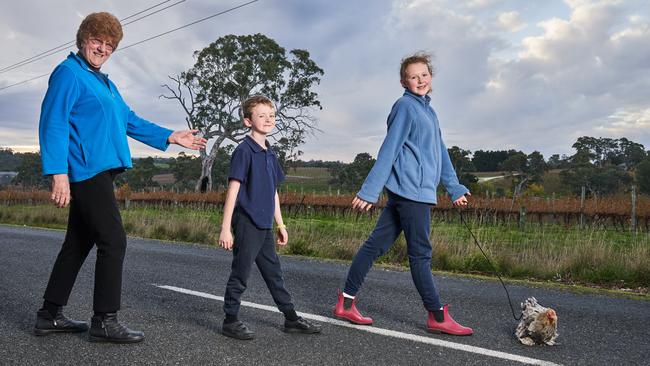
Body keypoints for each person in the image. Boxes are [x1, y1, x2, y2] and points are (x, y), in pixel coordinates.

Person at [34, 12, 207, 343]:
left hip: (100, 170)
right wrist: (58, 174)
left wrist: (171, 136)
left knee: (78, 243)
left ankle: (49, 315)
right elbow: (53, 123)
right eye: (97, 41)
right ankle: (104, 320)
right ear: (83, 39)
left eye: (109, 45)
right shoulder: (69, 74)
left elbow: (129, 119)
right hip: (85, 172)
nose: (102, 48)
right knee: (114, 240)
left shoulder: (104, 83)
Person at [332, 52, 474, 336]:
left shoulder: (429, 112)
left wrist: (455, 187)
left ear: (430, 77)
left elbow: (440, 153)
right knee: (420, 254)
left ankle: (346, 304)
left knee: (375, 246)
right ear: (403, 81)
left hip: (412, 192)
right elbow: (390, 148)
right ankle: (436, 315)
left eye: (424, 75)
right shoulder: (405, 107)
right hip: (411, 193)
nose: (420, 80)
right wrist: (370, 191)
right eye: (413, 76)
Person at [219, 95, 321, 340]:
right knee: (241, 272)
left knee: (274, 273)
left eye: (271, 115)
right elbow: (233, 190)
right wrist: (225, 228)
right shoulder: (244, 151)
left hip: (265, 224)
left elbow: (273, 191)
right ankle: (230, 320)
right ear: (247, 121)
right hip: (246, 222)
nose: (268, 119)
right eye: (261, 115)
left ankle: (290, 318)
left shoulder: (269, 152)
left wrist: (281, 223)